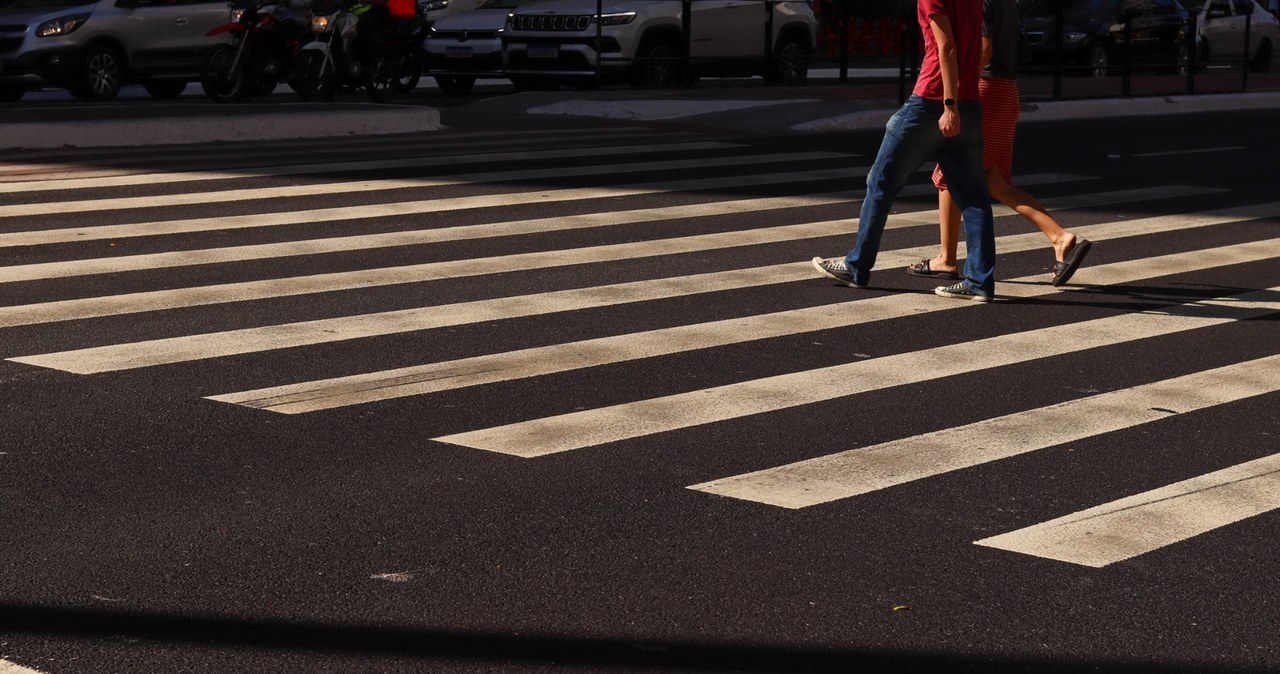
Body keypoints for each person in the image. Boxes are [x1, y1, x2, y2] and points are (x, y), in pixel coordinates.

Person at [812, 0, 996, 302]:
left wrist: (950, 105)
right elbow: (977, 46)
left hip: (932, 101)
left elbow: (947, 47)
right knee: (974, 197)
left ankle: (857, 266)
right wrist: (963, 96)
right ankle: (980, 281)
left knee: (881, 181)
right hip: (969, 101)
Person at [908, 0, 1092, 287]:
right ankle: (1059, 238)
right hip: (1007, 91)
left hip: (985, 89)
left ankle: (947, 259)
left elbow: (984, 48)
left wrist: (957, 90)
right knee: (995, 180)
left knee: (948, 173)